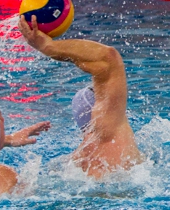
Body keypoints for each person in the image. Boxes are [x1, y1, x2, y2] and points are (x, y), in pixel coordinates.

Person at [19, 15, 142, 178]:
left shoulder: (74, 160)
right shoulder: (111, 131)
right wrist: (49, 47)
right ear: (98, 109)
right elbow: (108, 58)